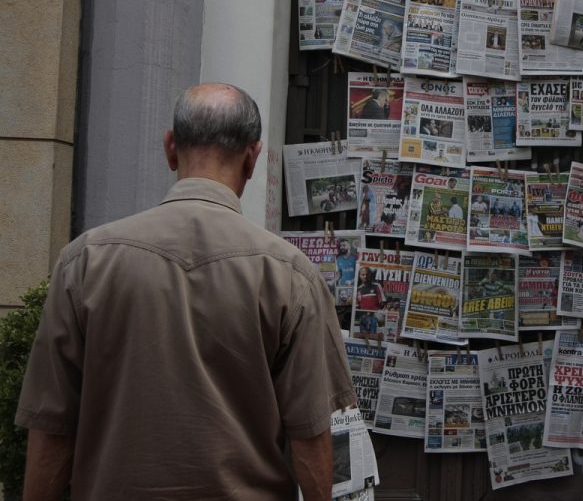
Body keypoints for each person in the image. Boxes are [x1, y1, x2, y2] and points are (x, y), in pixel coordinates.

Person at [15, 83, 355, 501]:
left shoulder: (84, 261)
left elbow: (51, 425)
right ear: (252, 158)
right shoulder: (290, 275)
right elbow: (311, 437)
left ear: (171, 148)